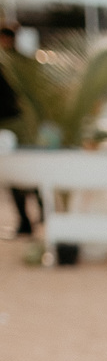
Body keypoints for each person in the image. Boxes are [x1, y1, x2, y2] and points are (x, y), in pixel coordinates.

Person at [0, 24, 39, 238]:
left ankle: (27, 222)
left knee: (16, 172)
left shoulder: (8, 63)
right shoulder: (22, 61)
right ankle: (34, 217)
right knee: (24, 171)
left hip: (11, 123)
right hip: (19, 122)